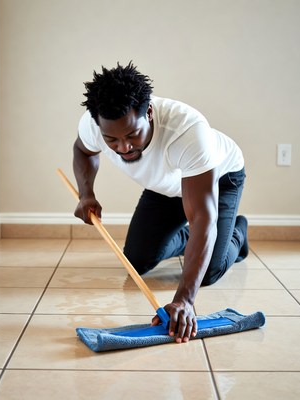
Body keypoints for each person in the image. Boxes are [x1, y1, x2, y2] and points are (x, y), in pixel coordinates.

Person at [72, 62, 248, 344]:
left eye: (132, 135)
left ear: (149, 113)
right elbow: (83, 150)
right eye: (112, 140)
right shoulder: (93, 124)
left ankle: (237, 231)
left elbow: (202, 218)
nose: (123, 147)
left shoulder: (188, 130)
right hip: (165, 186)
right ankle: (197, 239)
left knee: (208, 273)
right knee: (136, 260)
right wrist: (86, 194)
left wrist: (184, 301)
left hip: (218, 179)